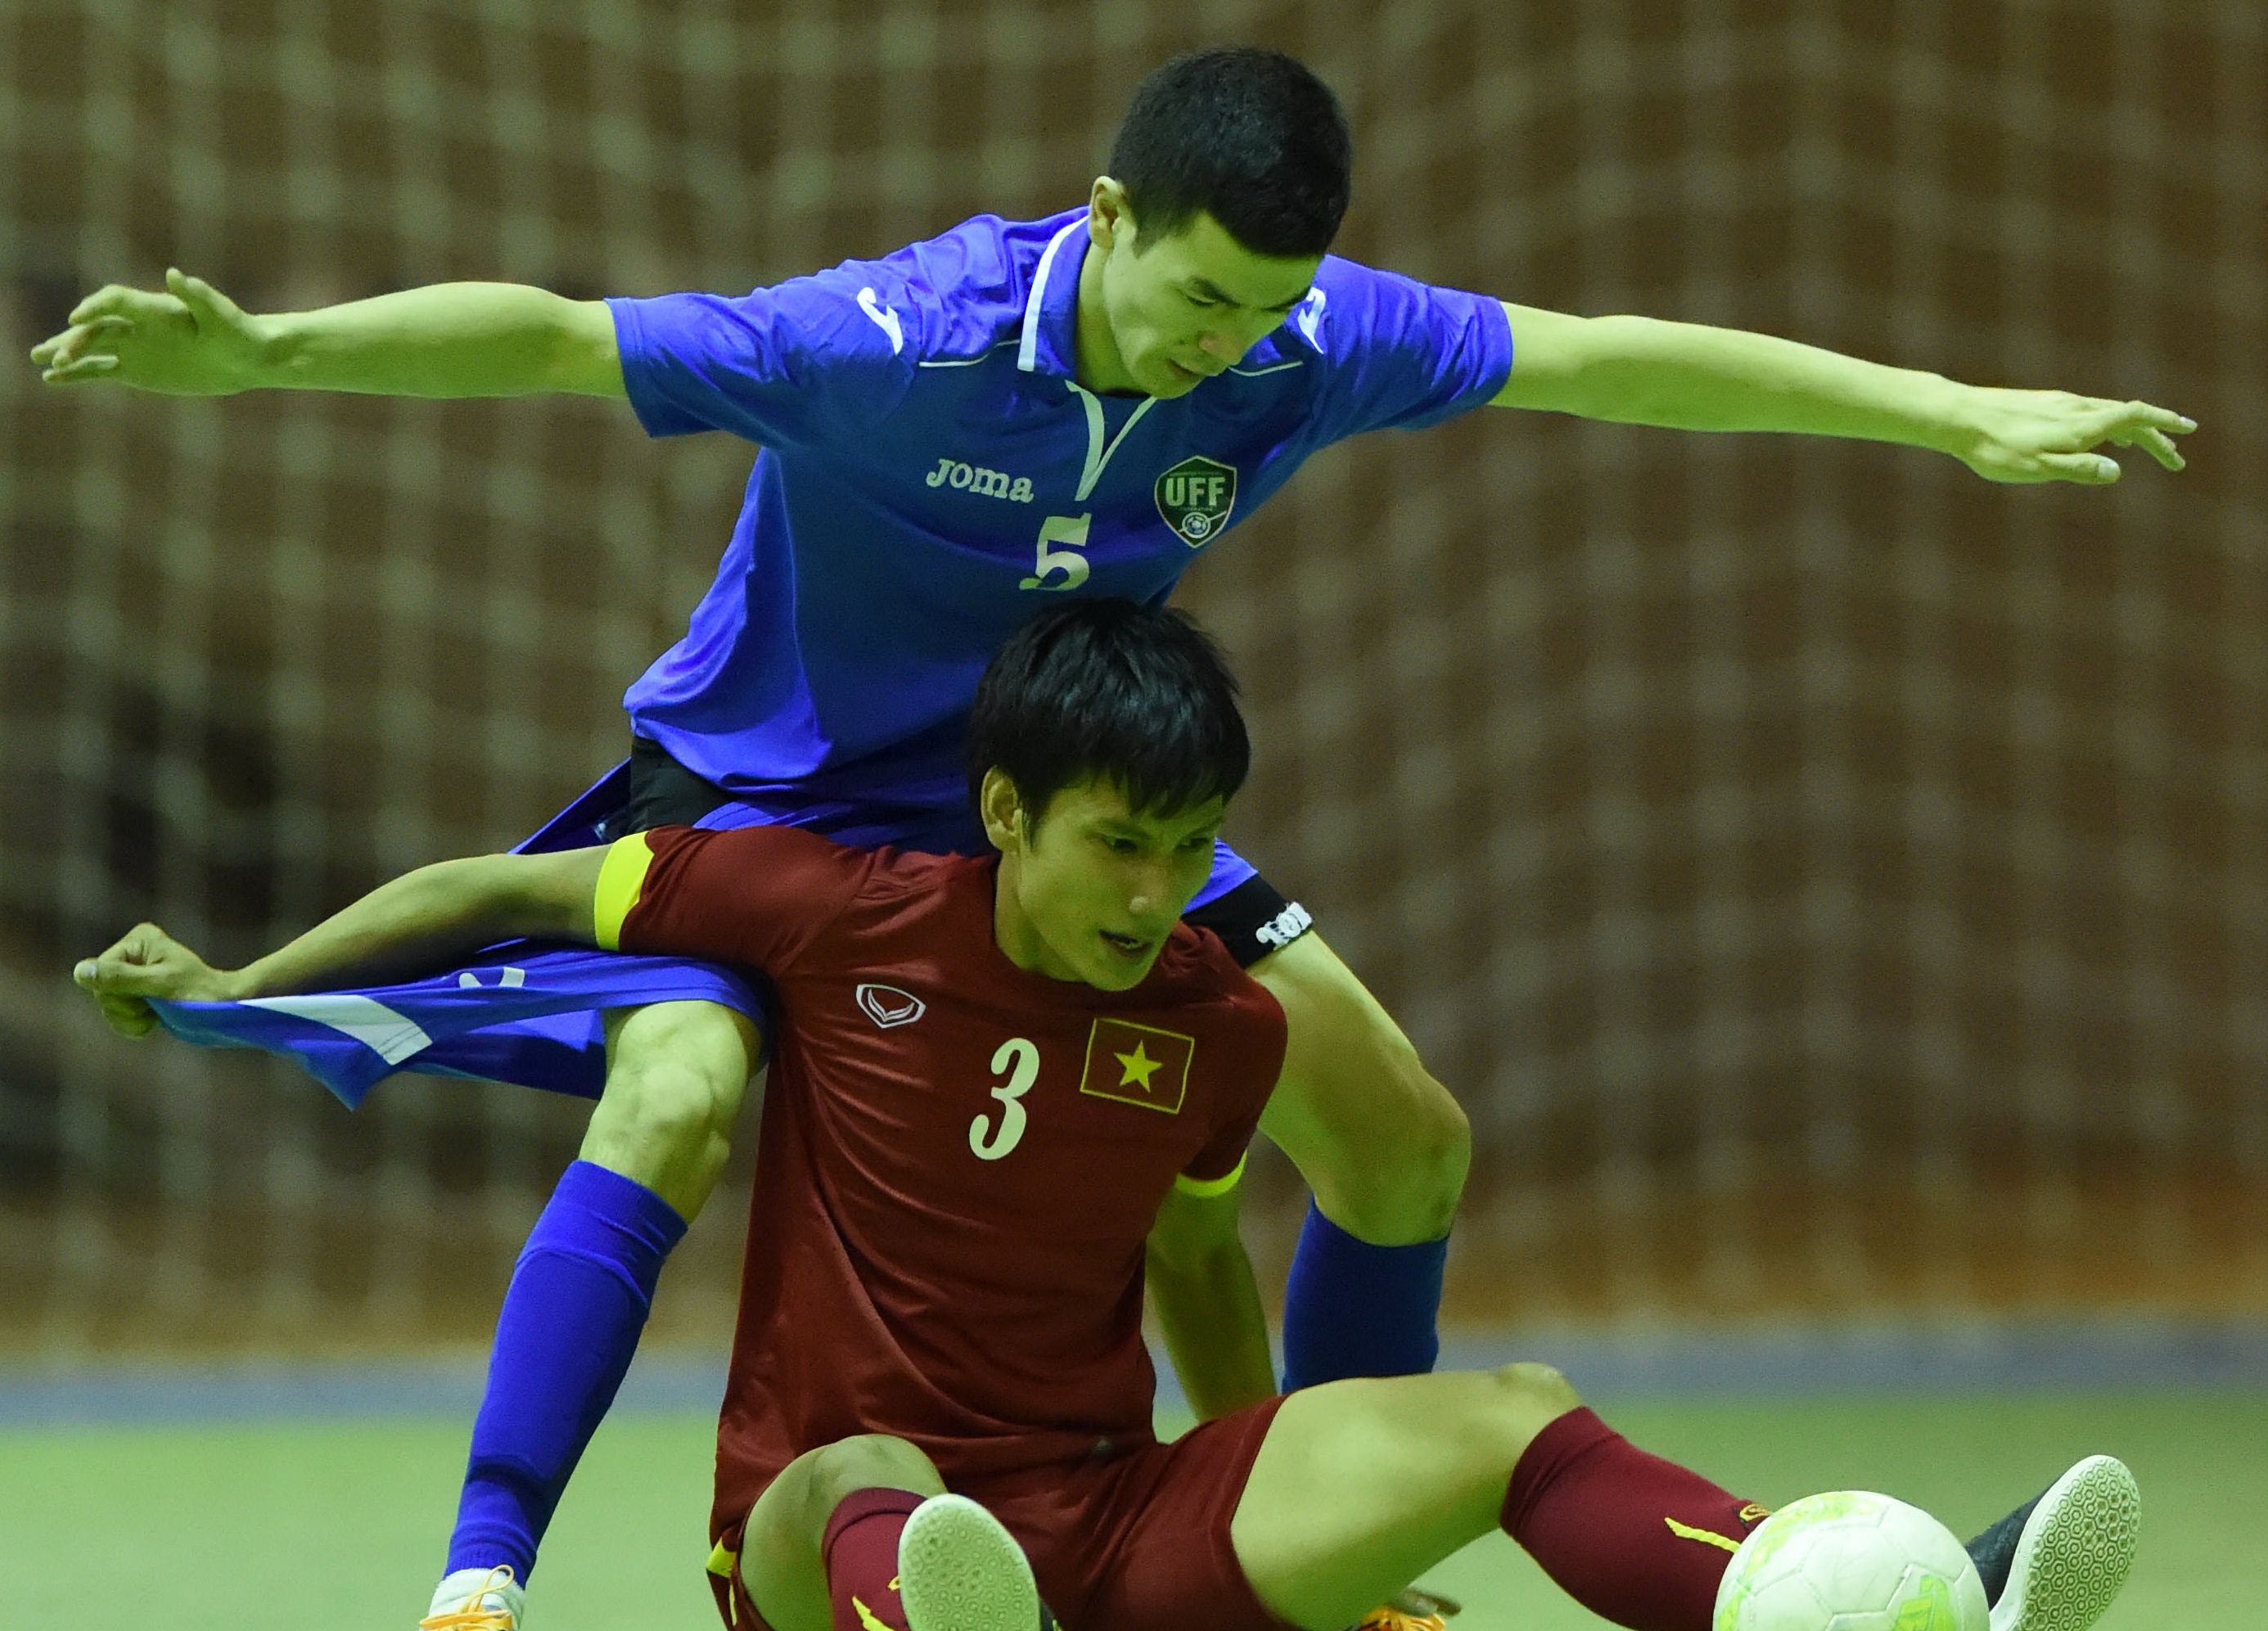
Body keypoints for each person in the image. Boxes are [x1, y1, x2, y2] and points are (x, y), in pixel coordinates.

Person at [34, 45, 2192, 1628]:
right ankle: (480, 1570)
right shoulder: (888, 342)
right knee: (685, 1082)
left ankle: (1351, 1557)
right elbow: (555, 336)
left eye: (1266, 320)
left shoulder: (1296, 345)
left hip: (1069, 815)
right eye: (1195, 305)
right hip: (780, 797)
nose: (1225, 357)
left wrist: (1952, 411)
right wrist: (267, 355)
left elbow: (1612, 358)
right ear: (1105, 212)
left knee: (1401, 1132)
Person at [79, 601, 2139, 1631]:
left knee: (1507, 1403)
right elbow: (503, 888)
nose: (1158, 894)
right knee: (866, 1471)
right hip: (818, 1535)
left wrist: (1292, 1509)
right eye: (1119, 848)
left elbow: (1191, 1277)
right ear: (1006, 818)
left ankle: (1834, 1591)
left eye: (1193, 851)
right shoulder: (824, 908)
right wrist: (254, 983)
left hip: (1100, 1519)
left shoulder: (1216, 1025)